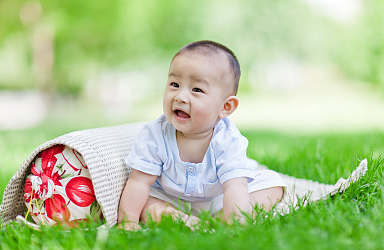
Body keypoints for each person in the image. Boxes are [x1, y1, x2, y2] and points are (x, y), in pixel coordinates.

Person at [117, 40, 286, 230]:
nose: (180, 96)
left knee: (273, 184)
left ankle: (224, 220)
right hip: (170, 197)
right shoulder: (155, 134)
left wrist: (236, 224)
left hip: (219, 199)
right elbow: (139, 181)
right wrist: (128, 221)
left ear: (225, 107)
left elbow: (234, 187)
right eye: (174, 84)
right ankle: (182, 220)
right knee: (146, 202)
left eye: (196, 89)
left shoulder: (228, 140)